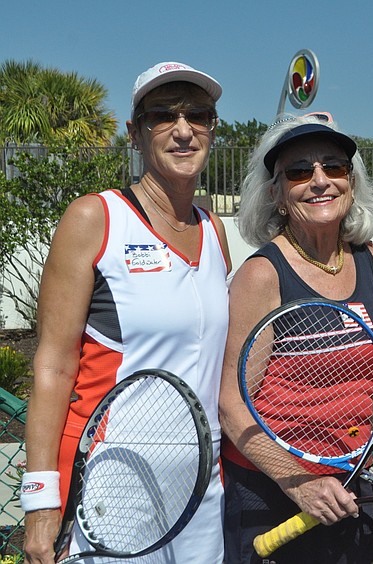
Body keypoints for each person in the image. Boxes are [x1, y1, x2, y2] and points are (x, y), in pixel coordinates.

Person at [21, 61, 231, 563]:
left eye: (198, 115)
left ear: (212, 129)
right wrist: (40, 501)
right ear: (135, 134)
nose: (184, 130)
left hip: (203, 480)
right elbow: (52, 366)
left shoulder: (214, 229)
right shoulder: (95, 217)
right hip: (113, 475)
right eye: (164, 116)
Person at [218, 112, 373, 564]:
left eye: (333, 167)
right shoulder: (261, 276)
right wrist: (299, 482)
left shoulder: (371, 261)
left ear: (351, 184)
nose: (319, 181)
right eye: (298, 171)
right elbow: (232, 405)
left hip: (354, 483)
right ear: (275, 193)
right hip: (275, 495)